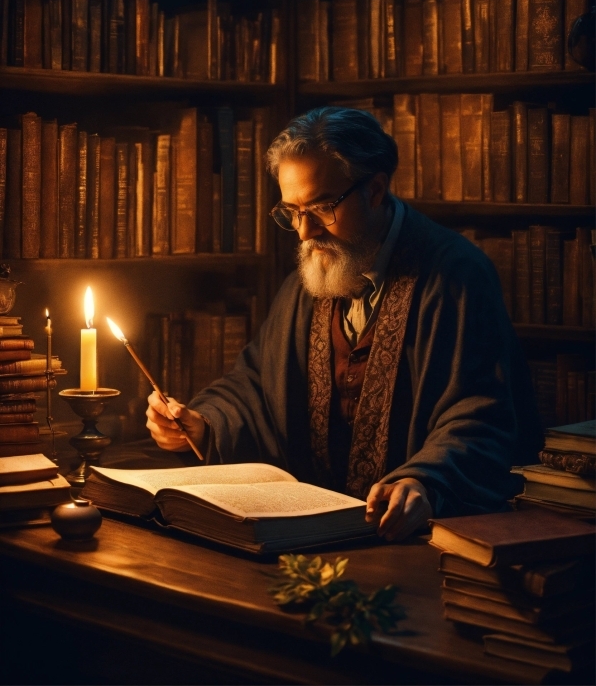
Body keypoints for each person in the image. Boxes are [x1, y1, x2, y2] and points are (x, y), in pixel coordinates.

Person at [146, 107, 543, 541]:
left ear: (375, 189)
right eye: (291, 211)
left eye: (319, 208)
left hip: (418, 541)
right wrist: (204, 425)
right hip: (309, 535)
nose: (303, 232)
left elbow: (482, 416)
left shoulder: (456, 277)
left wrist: (424, 481)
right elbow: (257, 385)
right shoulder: (314, 275)